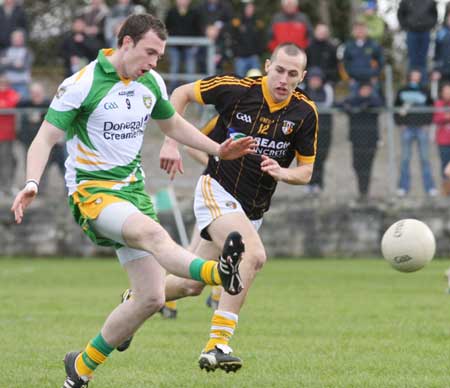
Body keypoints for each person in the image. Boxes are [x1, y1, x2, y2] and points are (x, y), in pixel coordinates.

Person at [10, 14, 256, 388]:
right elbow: (44, 139)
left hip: (132, 192)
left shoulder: (150, 82)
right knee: (154, 235)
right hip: (93, 193)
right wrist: (31, 182)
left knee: (151, 297)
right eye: (150, 53)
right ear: (125, 43)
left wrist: (218, 149)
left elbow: (173, 125)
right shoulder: (82, 84)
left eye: (159, 55)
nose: (155, 63)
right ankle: (221, 272)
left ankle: (80, 367)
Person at [151, 43, 318, 372]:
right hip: (217, 190)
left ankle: (140, 297)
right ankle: (217, 345)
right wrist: (172, 142)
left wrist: (284, 172)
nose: (284, 79)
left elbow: (306, 171)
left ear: (303, 77)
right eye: (280, 70)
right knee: (253, 255)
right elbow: (181, 93)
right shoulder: (237, 90)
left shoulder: (305, 113)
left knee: (191, 283)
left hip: (251, 211)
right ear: (268, 65)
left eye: (293, 74)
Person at [16, 82, 65, 195]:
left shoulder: (50, 104)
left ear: (43, 93)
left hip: (51, 143)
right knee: (33, 166)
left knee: (60, 166)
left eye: (38, 93)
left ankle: (67, 191)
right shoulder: (26, 104)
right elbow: (17, 105)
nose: (35, 96)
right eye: (33, 93)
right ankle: (36, 190)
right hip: (29, 142)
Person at [394, 69, 436, 197]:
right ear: (409, 76)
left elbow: (431, 108)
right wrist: (400, 124)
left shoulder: (425, 90)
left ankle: (429, 188)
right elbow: (396, 108)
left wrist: (427, 124)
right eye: (414, 75)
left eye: (418, 76)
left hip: (421, 129)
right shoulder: (402, 90)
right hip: (407, 129)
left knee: (425, 159)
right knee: (405, 159)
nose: (416, 78)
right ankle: (403, 187)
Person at [340, 82, 383, 203]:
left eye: (367, 89)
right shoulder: (353, 101)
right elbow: (341, 104)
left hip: (371, 140)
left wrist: (366, 105)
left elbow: (379, 104)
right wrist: (348, 107)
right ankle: (362, 190)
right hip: (356, 140)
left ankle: (364, 192)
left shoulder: (374, 102)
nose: (365, 92)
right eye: (363, 89)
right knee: (356, 165)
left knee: (367, 166)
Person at [303, 67, 334, 194]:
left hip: (324, 131)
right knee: (307, 158)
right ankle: (309, 183)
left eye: (317, 79)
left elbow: (327, 104)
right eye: (313, 79)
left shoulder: (327, 90)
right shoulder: (303, 89)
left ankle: (318, 183)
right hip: (306, 132)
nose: (315, 82)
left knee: (321, 158)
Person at [397, 0, 437, 84]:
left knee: (422, 59)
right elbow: (400, 14)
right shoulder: (405, 2)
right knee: (413, 59)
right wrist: (405, 26)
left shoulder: (430, 1)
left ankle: (423, 83)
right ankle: (411, 83)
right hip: (412, 32)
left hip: (425, 32)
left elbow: (434, 14)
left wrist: (429, 25)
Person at [0, 72, 20, 198]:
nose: (2, 86)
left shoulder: (12, 94)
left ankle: (8, 186)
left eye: (4, 83)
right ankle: (3, 187)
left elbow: (11, 103)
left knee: (10, 161)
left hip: (7, 135)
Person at [432, 83, 450, 196]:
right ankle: (447, 193)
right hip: (443, 141)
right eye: (446, 92)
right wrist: (446, 116)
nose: (448, 94)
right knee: (445, 168)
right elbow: (437, 118)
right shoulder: (438, 104)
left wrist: (446, 116)